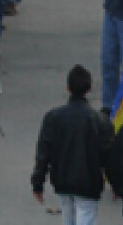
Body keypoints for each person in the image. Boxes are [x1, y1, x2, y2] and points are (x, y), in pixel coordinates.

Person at [32, 65, 114, 225]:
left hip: (62, 180)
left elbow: (43, 153)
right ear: (89, 88)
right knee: (85, 216)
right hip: (89, 182)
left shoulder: (53, 118)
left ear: (68, 88)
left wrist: (37, 183)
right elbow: (108, 156)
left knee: (68, 216)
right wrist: (116, 184)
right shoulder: (100, 121)